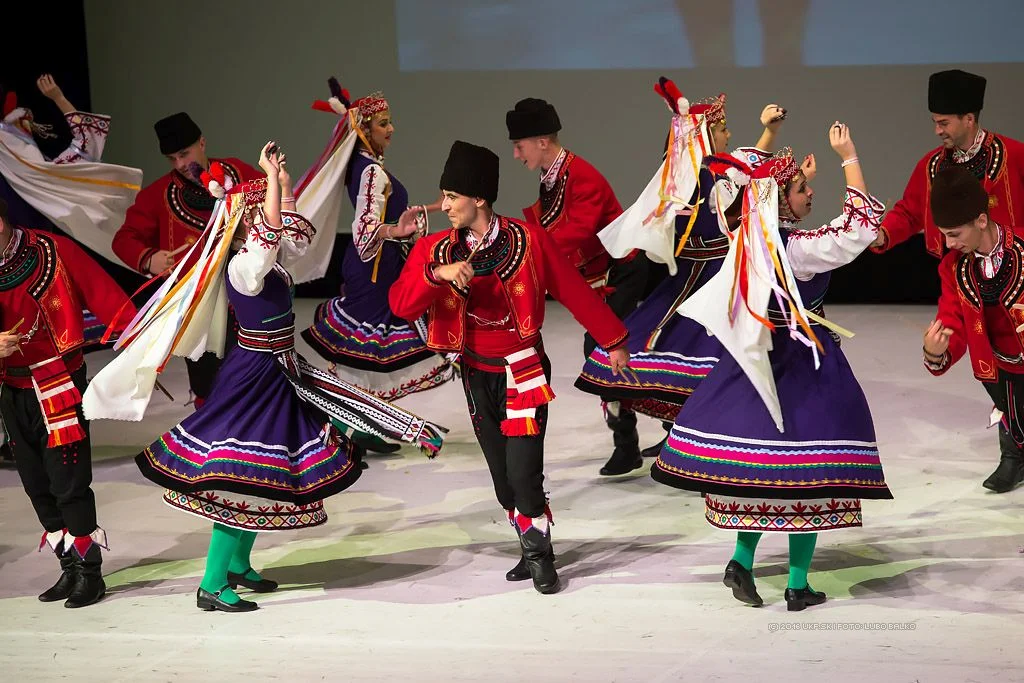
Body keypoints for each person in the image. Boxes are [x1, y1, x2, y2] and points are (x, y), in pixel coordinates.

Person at [84, 143, 446, 612]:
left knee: (267, 477)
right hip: (253, 378)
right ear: (243, 226)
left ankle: (237, 567)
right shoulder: (244, 266)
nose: (267, 223)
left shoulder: (269, 261)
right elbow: (271, 236)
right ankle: (212, 585)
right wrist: (270, 183)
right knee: (240, 480)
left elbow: (294, 232)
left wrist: (281, 180)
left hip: (276, 370)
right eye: (257, 215)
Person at [652, 124, 892, 610]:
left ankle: (741, 562)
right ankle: (797, 584)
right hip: (803, 366)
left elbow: (731, 188)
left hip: (755, 358)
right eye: (803, 189)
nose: (810, 191)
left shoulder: (744, 237)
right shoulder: (800, 250)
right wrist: (849, 156)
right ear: (779, 201)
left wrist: (781, 180)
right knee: (811, 477)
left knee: (762, 476)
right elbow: (860, 228)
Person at [389, 141, 631, 594]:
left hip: (523, 369)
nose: (444, 207)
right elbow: (400, 304)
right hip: (476, 373)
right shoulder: (434, 251)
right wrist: (436, 277)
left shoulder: (530, 239)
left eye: (451, 197)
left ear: (478, 198)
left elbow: (574, 290)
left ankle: (541, 557)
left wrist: (612, 339)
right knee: (502, 479)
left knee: (524, 473)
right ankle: (528, 540)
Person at [0, 196, 135, 608]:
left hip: (59, 380)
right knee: (36, 484)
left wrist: (141, 344)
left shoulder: (53, 250)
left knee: (69, 482)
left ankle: (90, 574)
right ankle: (69, 568)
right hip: (12, 389)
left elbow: (108, 297)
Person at [507, 97, 651, 475]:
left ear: (541, 141)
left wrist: (523, 250)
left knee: (601, 349)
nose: (516, 155)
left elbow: (575, 233)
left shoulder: (581, 175)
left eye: (519, 146)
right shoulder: (552, 176)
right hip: (600, 276)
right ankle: (642, 435)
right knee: (603, 350)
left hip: (625, 272)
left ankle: (629, 442)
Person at [301, 84, 453, 414]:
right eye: (383, 123)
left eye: (389, 121)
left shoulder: (365, 165)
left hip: (374, 267)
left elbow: (389, 216)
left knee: (364, 356)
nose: (391, 129)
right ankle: (346, 426)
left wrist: (435, 207)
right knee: (363, 354)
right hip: (373, 270)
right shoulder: (370, 170)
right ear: (364, 128)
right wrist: (396, 231)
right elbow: (367, 231)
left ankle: (359, 424)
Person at [112, 112, 261, 408]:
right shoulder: (159, 195)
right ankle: (212, 439)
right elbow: (123, 239)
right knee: (208, 380)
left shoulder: (241, 173)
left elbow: (274, 206)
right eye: (172, 159)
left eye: (184, 153)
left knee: (256, 373)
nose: (180, 164)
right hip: (199, 307)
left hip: (248, 295)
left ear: (202, 143)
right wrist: (149, 258)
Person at [922, 166, 1024, 492]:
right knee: (1010, 405)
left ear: (981, 220)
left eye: (955, 234)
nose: (949, 244)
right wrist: (936, 350)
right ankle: (1013, 458)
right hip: (1000, 360)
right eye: (944, 234)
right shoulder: (954, 267)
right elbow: (952, 319)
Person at [870, 69, 1024, 258]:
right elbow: (909, 213)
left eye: (944, 123)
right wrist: (881, 234)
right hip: (955, 270)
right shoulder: (931, 165)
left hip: (1015, 262)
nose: (937, 130)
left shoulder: (1014, 155)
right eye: (935, 122)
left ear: (969, 119)